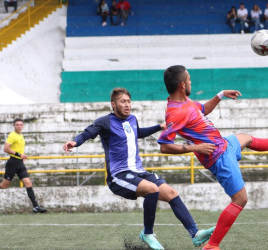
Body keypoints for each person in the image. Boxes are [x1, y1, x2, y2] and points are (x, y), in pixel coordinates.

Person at [158, 65, 268, 250]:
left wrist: (220, 94)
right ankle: (212, 245)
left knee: (246, 138)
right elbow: (164, 147)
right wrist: (196, 147)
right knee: (240, 199)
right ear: (182, 84)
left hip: (223, 144)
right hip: (218, 156)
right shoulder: (175, 112)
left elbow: (204, 110)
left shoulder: (186, 101)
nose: (191, 83)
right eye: (190, 80)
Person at [63, 87, 215, 250]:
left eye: (128, 101)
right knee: (152, 189)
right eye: (123, 101)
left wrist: (159, 126)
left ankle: (195, 234)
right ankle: (147, 234)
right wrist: (75, 142)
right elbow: (87, 133)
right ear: (113, 104)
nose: (127, 104)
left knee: (171, 193)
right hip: (119, 176)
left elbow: (137, 133)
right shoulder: (105, 122)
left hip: (138, 172)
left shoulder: (132, 119)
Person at [0, 118, 47, 213]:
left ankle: (35, 207)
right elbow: (6, 148)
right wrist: (19, 155)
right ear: (14, 126)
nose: (19, 126)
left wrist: (22, 156)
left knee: (28, 183)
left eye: (20, 125)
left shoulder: (21, 135)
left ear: (22, 126)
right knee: (3, 185)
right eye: (17, 125)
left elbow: (18, 148)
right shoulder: (12, 135)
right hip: (12, 163)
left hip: (20, 163)